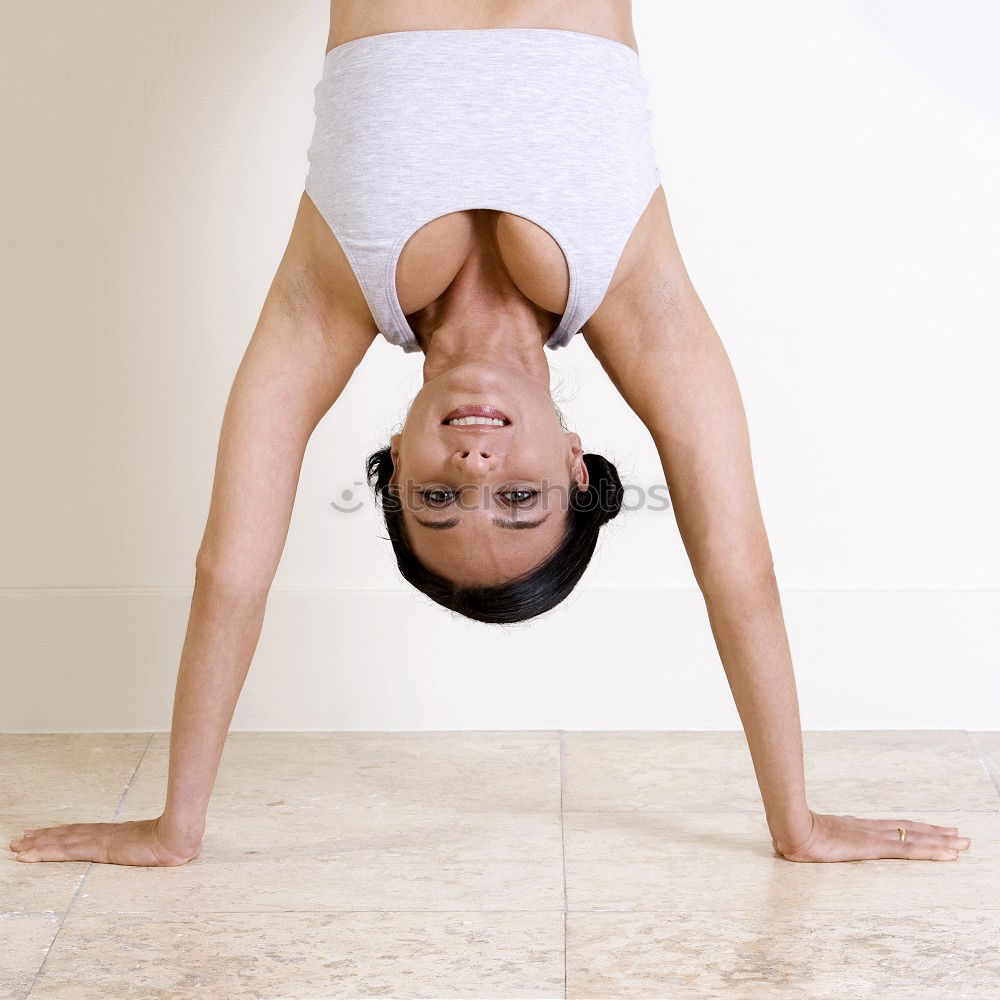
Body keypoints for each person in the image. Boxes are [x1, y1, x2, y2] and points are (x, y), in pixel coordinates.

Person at [9, 1, 970, 866]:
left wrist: (179, 826)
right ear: (574, 463)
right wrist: (793, 821)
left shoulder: (329, 296)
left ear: (391, 471)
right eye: (518, 498)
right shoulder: (639, 298)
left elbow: (232, 571)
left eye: (437, 496)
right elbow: (739, 566)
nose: (474, 466)